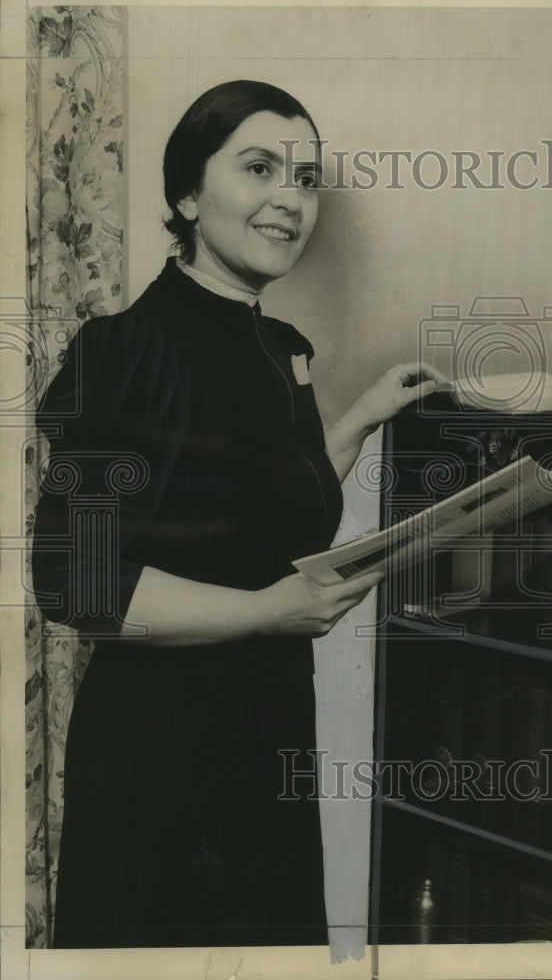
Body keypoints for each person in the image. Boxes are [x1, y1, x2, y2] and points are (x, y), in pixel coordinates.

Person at [32, 80, 445, 949]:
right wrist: (266, 611)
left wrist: (358, 419)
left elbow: (261, 513)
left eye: (306, 177)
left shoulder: (278, 347)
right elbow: (80, 579)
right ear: (188, 194)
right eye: (259, 168)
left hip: (267, 743)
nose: (290, 199)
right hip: (159, 758)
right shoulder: (127, 350)